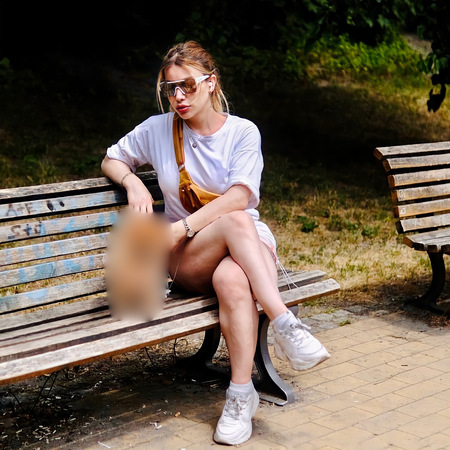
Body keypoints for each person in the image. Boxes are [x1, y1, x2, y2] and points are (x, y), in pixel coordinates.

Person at [101, 40, 330, 446]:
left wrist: (182, 226)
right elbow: (111, 158)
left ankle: (240, 396)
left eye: (188, 85)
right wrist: (133, 181)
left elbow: (240, 195)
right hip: (189, 258)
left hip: (243, 247)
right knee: (236, 221)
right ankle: (284, 322)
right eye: (170, 88)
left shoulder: (242, 132)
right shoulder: (158, 130)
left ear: (211, 83)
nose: (179, 96)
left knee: (233, 278)